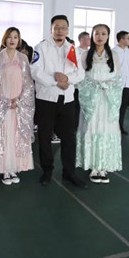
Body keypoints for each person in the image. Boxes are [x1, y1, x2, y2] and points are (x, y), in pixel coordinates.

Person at [31, 15, 86, 188]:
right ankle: (47, 170)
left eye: (63, 27)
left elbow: (80, 73)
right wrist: (56, 82)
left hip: (67, 99)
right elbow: (35, 71)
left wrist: (67, 79)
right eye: (57, 27)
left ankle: (69, 173)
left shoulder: (73, 49)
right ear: (51, 29)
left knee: (69, 138)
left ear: (68, 30)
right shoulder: (41, 47)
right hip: (46, 99)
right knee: (45, 137)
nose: (60, 30)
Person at [0, 27, 35, 185]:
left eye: (15, 37)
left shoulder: (23, 59)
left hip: (19, 105)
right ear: (4, 39)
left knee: (16, 135)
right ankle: (5, 169)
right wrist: (5, 101)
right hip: (2, 105)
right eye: (9, 37)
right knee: (4, 135)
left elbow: (28, 83)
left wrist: (19, 100)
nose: (12, 40)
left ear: (19, 40)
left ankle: (14, 167)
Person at [77, 24, 123, 184]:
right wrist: (94, 86)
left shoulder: (114, 55)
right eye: (97, 33)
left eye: (103, 34)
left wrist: (107, 86)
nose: (100, 37)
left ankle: (103, 166)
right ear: (92, 35)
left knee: (106, 129)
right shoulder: (85, 55)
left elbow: (118, 78)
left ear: (108, 36)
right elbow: (81, 78)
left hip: (108, 99)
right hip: (92, 100)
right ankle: (93, 166)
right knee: (92, 128)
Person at [111, 30, 129, 135]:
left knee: (123, 106)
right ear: (121, 39)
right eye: (127, 38)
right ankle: (111, 127)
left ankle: (120, 126)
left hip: (127, 84)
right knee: (114, 106)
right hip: (116, 84)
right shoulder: (114, 52)